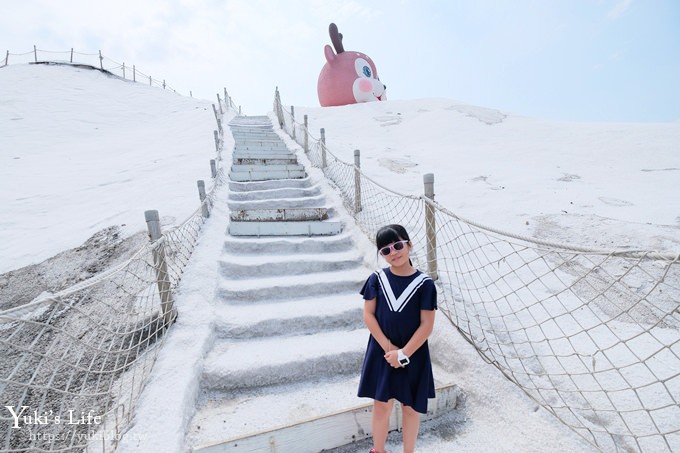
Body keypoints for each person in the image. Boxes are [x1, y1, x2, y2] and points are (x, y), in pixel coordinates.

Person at [358, 224, 437, 453]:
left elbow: (426, 325)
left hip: (414, 353)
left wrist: (403, 354)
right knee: (381, 405)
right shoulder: (377, 279)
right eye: (386, 250)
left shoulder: (425, 284)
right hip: (382, 352)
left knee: (410, 408)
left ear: (409, 245)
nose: (394, 252)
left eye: (398, 245)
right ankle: (379, 450)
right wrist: (389, 348)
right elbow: (368, 315)